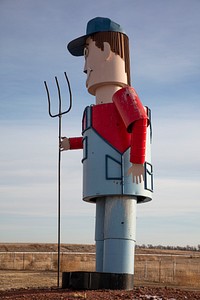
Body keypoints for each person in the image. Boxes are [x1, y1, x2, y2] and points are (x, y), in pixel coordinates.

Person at [61, 17, 153, 277]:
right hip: (101, 176)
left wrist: (137, 160)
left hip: (121, 174)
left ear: (108, 52)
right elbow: (95, 137)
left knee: (118, 229)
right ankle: (103, 274)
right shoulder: (93, 112)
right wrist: (72, 143)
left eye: (87, 54)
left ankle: (117, 276)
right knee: (101, 231)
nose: (84, 67)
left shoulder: (124, 96)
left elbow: (139, 122)